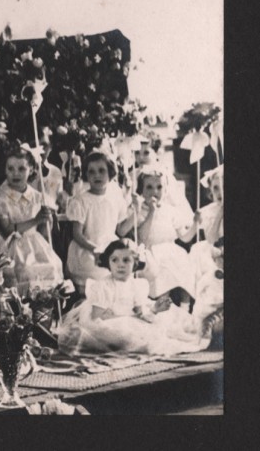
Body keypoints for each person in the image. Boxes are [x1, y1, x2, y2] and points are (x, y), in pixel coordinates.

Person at [57, 240, 202, 356]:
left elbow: (141, 314)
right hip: (105, 324)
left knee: (164, 324)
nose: (120, 265)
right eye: (115, 260)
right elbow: (96, 318)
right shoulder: (103, 286)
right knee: (134, 334)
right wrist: (127, 316)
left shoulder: (136, 285)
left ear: (135, 264)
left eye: (126, 260)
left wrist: (154, 311)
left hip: (126, 318)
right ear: (108, 262)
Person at [0, 143, 63, 296]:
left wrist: (46, 220)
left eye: (21, 169)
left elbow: (43, 232)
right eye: (10, 169)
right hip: (13, 244)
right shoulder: (1, 198)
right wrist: (35, 220)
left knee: (52, 265)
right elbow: (8, 229)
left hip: (35, 242)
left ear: (32, 170)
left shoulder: (38, 196)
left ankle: (44, 306)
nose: (15, 173)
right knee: (23, 271)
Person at [65, 152, 137, 293]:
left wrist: (136, 212)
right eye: (91, 171)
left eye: (101, 171)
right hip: (88, 250)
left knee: (117, 284)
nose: (96, 175)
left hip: (109, 248)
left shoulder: (115, 197)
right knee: (94, 290)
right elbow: (77, 234)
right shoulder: (81, 201)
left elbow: (121, 230)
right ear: (86, 175)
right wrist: (96, 250)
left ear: (110, 173)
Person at [133, 168, 198, 308]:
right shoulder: (140, 211)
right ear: (141, 190)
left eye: (159, 187)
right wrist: (151, 212)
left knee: (184, 264)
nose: (155, 191)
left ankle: (185, 307)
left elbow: (185, 238)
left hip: (171, 249)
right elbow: (142, 238)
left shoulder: (171, 211)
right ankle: (163, 308)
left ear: (166, 189)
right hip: (150, 251)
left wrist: (196, 224)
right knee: (162, 271)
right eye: (149, 187)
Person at [187, 166, 224, 280]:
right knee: (199, 251)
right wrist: (220, 213)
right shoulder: (207, 211)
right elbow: (211, 239)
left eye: (223, 186)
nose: (220, 192)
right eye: (216, 188)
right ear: (210, 190)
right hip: (215, 250)